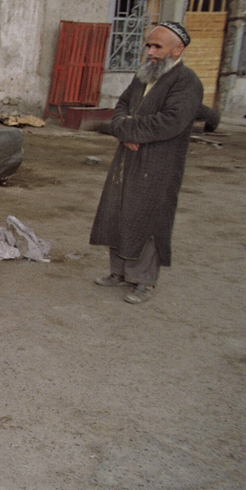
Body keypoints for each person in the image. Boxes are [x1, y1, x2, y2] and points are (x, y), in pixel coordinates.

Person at [90, 21, 204, 304]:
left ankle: (144, 281)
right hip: (128, 156)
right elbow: (120, 109)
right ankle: (118, 272)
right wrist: (124, 130)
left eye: (157, 47)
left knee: (149, 218)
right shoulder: (142, 76)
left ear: (177, 50)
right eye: (148, 46)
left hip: (159, 163)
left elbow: (171, 121)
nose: (150, 52)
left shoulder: (187, 82)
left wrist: (129, 129)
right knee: (118, 212)